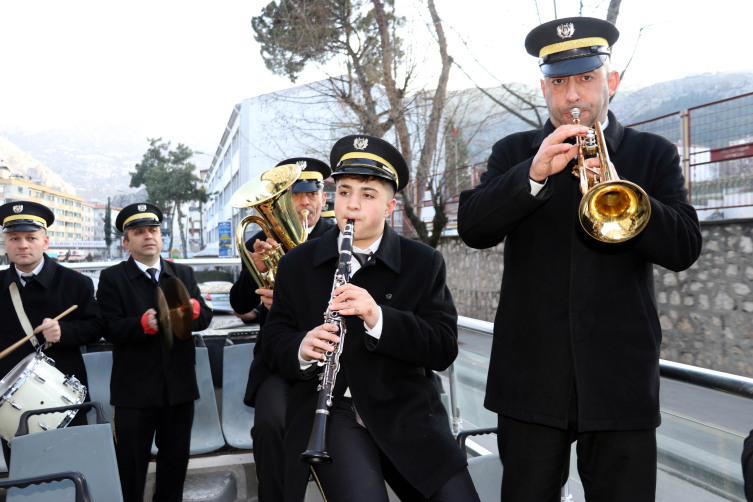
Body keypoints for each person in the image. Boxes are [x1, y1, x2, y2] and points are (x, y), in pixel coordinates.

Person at [457, 17, 703, 502]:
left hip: (620, 380)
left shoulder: (652, 154)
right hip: (530, 379)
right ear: (544, 87)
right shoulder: (514, 152)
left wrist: (626, 192)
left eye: (586, 79)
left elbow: (684, 248)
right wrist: (532, 174)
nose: (573, 96)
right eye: (559, 82)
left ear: (610, 82)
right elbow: (473, 228)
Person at [262, 135, 480, 502]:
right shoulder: (297, 264)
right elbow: (273, 341)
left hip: (406, 409)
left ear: (389, 206)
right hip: (331, 413)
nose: (352, 205)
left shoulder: (422, 262)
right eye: (344, 192)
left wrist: (379, 317)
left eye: (367, 195)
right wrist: (301, 347)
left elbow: (442, 347)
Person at [229, 157, 335, 501]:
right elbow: (240, 304)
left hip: (331, 359)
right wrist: (255, 271)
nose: (304, 203)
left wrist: (290, 298)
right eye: (295, 195)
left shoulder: (340, 238)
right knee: (270, 426)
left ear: (323, 198)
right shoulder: (263, 238)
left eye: (311, 194)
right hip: (279, 360)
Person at [97, 202, 212, 502]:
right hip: (134, 393)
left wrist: (196, 313)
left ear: (162, 236)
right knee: (130, 469)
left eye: (154, 230)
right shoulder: (112, 278)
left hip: (179, 389)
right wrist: (141, 325)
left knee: (175, 466)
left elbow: (204, 317)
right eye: (139, 232)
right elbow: (107, 327)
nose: (148, 236)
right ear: (126, 242)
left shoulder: (182, 273)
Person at [0, 201, 104, 466]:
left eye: (31, 238)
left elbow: (96, 327)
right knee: (24, 472)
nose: (23, 245)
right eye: (14, 238)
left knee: (74, 467)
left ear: (45, 242)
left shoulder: (76, 282)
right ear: (5, 243)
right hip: (12, 402)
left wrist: (64, 331)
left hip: (66, 395)